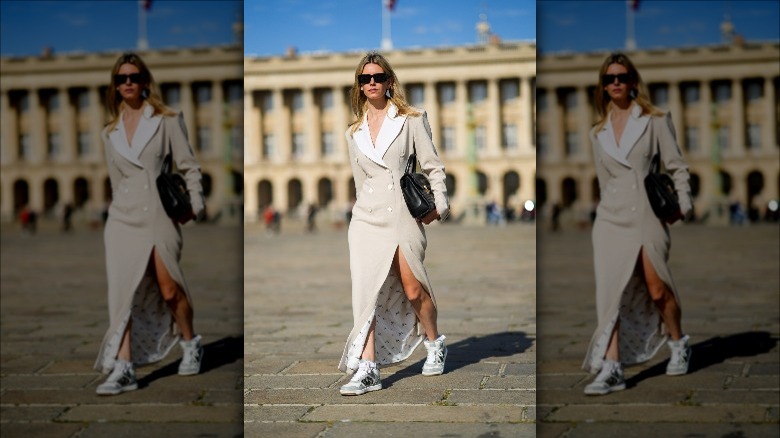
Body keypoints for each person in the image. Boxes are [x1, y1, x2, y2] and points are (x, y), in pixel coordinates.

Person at [338, 52, 450, 396]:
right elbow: (360, 183)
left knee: (413, 288)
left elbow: (432, 166)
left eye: (378, 76)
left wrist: (440, 204)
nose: (371, 82)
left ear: (389, 81)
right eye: (364, 78)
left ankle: (435, 342)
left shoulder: (412, 119)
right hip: (366, 219)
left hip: (401, 214)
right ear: (358, 86)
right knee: (366, 295)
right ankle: (369, 368)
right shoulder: (352, 132)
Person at [94, 53, 206, 395]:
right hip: (122, 220)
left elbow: (188, 165)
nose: (127, 82)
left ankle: (190, 341)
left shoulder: (167, 120)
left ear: (145, 81)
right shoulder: (108, 132)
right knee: (123, 296)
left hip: (158, 215)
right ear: (115, 86)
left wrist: (196, 202)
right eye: (121, 78)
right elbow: (116, 182)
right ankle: (124, 367)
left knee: (170, 289)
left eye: (134, 76)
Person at [583, 53, 694, 395]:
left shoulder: (656, 120)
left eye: (622, 76)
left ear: (633, 81)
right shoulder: (596, 132)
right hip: (610, 221)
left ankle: (678, 341)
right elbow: (604, 181)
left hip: (646, 214)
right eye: (609, 78)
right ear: (603, 87)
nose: (615, 82)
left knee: (658, 289)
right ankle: (612, 367)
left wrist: (684, 203)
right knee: (610, 296)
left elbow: (676, 166)